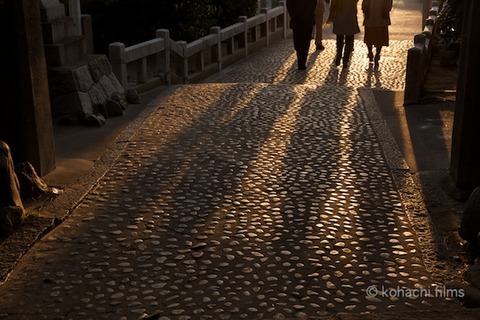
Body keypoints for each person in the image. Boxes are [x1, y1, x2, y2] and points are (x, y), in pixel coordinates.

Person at [327, 0, 360, 67]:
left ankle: (338, 56)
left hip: (339, 17)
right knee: (349, 40)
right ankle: (345, 60)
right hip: (350, 17)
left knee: (339, 39)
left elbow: (333, 5)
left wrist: (331, 17)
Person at [287, 0, 317, 70]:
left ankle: (302, 62)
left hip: (307, 20)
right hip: (296, 20)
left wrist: (306, 15)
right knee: (297, 43)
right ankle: (300, 59)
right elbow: (289, 4)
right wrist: (294, 15)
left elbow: (313, 4)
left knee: (305, 43)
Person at [362, 0, 393, 65]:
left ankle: (371, 53)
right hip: (379, 18)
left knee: (370, 37)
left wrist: (364, 9)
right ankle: (376, 54)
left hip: (372, 17)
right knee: (379, 38)